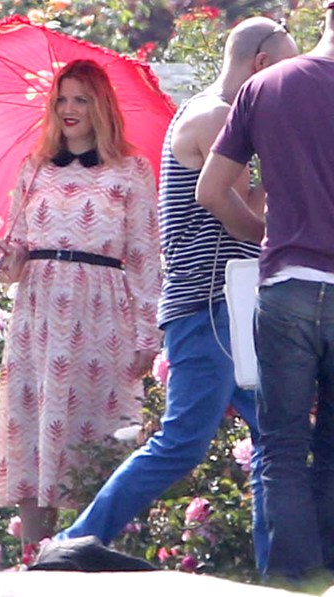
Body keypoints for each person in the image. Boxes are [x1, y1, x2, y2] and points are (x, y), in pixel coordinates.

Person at [55, 17, 298, 575]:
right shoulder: (215, 116)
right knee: (183, 441)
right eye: (285, 72)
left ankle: (281, 573)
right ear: (261, 65)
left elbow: (250, 205)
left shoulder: (220, 114)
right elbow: (243, 216)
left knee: (274, 440)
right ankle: (72, 543)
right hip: (208, 306)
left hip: (227, 305)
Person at [0, 60, 162, 547]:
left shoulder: (132, 170)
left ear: (100, 105)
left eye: (80, 99)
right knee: (32, 433)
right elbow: (16, 258)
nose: (69, 109)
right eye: (61, 99)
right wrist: (6, 257)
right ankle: (33, 559)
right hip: (38, 313)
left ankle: (95, 551)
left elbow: (145, 256)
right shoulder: (34, 167)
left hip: (101, 313)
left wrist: (149, 335)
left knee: (100, 436)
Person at [196, 2, 334, 586]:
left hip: (288, 285)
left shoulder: (267, 85)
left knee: (281, 445)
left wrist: (265, 234)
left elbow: (211, 189)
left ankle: (291, 582)